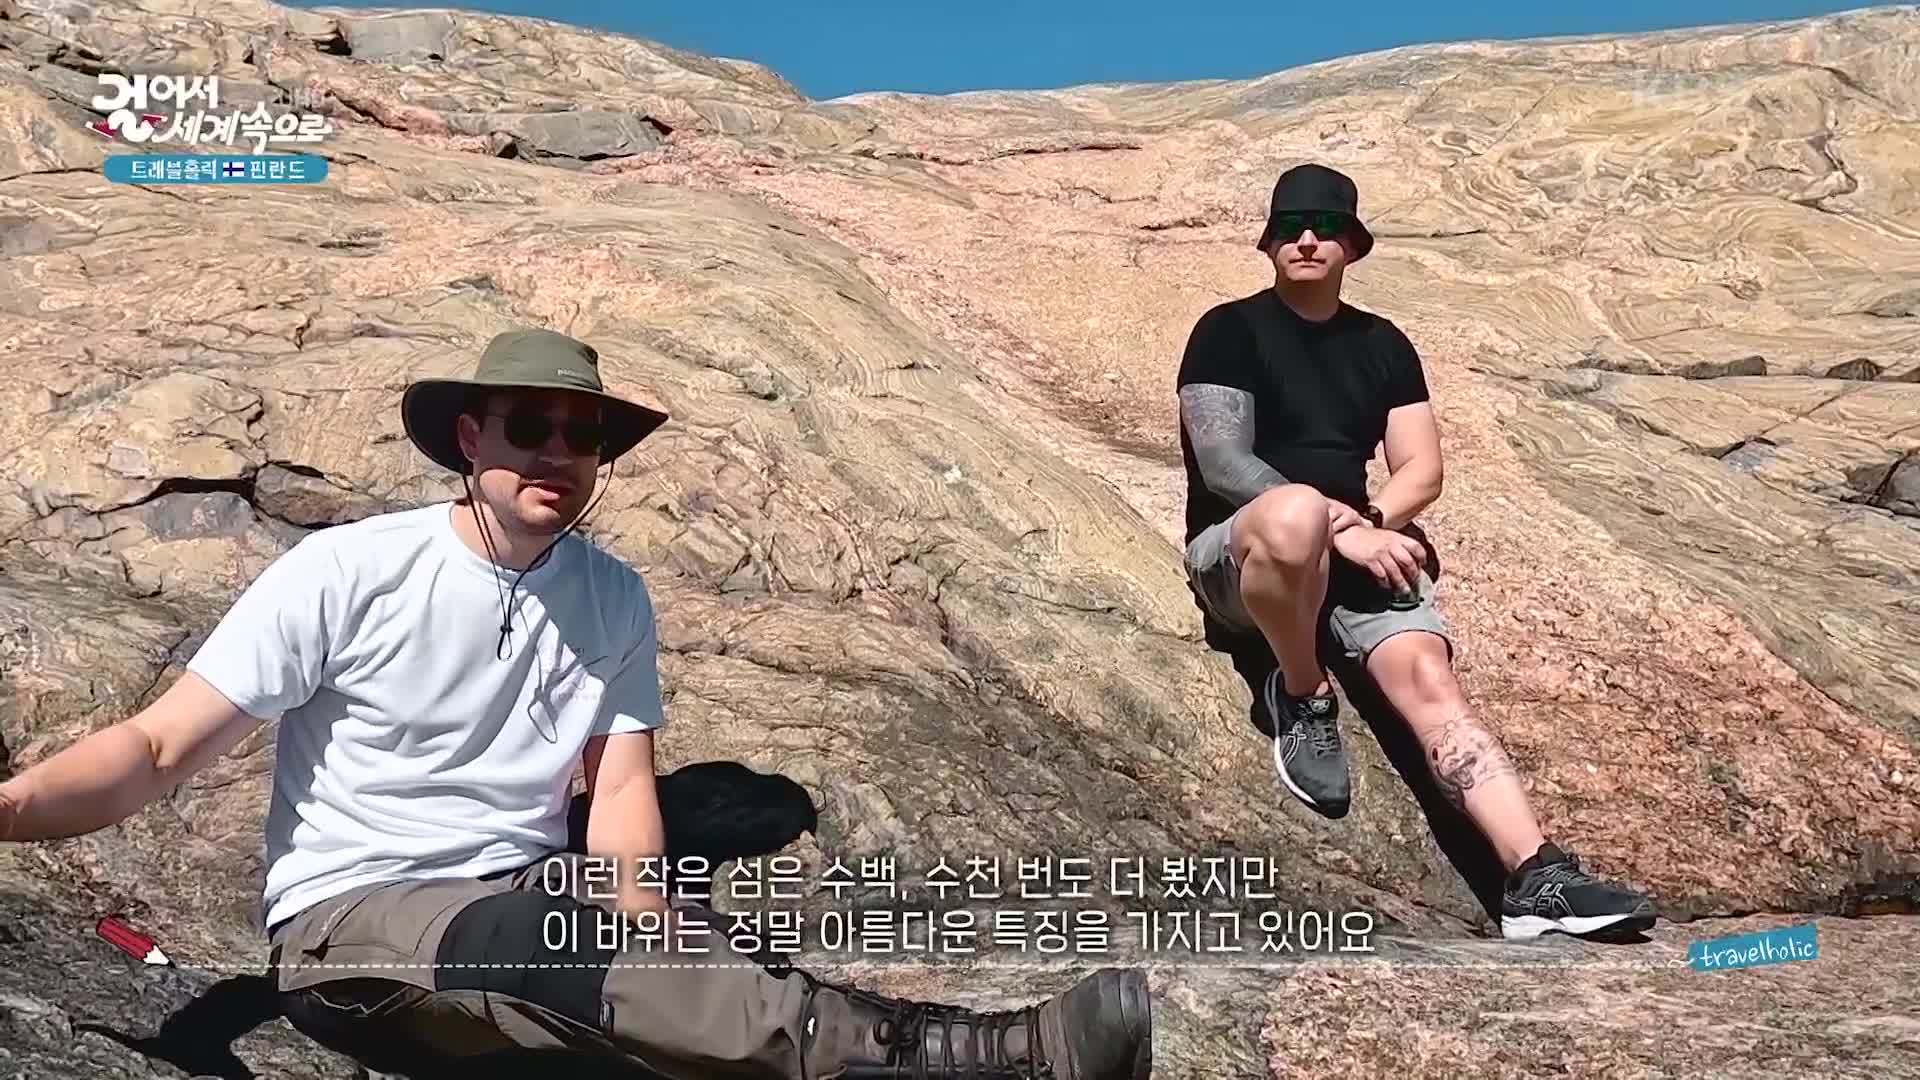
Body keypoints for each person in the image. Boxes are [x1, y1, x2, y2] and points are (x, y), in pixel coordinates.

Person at [0, 327, 1154, 1079]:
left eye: (583, 433)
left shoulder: (611, 596)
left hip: (527, 897)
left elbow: (624, 790)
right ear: (471, 439)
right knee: (591, 956)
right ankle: (995, 1058)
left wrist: (649, 921)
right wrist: (10, 812)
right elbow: (158, 747)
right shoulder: (349, 571)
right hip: (354, 928)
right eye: (529, 428)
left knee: (672, 962)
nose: (557, 452)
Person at [1175, 164, 1657, 942]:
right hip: (1249, 554)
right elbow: (1225, 465)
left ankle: (1534, 877)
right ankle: (1302, 692)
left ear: (1353, 246)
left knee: (1431, 681)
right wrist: (1345, 529)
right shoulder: (1228, 330)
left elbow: (1422, 470)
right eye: (1292, 226)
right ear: (1269, 243)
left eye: (1327, 228)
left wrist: (1372, 522)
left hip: (1351, 552)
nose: (1308, 240)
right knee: (1295, 513)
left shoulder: (1383, 344)